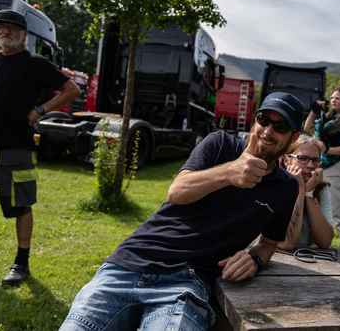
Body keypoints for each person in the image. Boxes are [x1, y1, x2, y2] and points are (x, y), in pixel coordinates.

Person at [59, 92, 304, 331]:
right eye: (263, 120)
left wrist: (255, 259)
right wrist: (228, 172)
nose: (268, 131)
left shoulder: (285, 187)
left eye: (280, 127)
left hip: (186, 283)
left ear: (294, 137)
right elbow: (177, 191)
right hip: (128, 266)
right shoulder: (220, 144)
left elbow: (270, 243)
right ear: (255, 120)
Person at [0, 10, 80, 287]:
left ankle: (21, 264)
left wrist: (40, 110)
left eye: (13, 28)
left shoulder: (35, 63)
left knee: (20, 206)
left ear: (24, 34)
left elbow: (71, 89)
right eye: (2, 27)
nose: (7, 31)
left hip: (15, 146)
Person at [304, 86, 340, 249]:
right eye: (332, 97)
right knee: (316, 206)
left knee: (337, 210)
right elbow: (308, 129)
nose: (333, 100)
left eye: (337, 98)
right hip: (321, 167)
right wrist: (314, 111)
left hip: (337, 168)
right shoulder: (327, 118)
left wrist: (327, 149)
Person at [274, 133, 334, 250]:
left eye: (316, 160)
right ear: (287, 161)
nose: (310, 165)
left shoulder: (320, 189)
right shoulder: (274, 185)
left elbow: (325, 241)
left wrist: (309, 193)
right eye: (303, 158)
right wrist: (300, 189)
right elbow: (285, 243)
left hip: (304, 260)